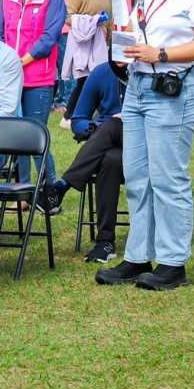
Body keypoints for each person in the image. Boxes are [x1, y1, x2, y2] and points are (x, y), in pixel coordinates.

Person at [95, 0, 194, 291]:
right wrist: (122, 48)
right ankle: (138, 256)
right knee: (137, 177)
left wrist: (161, 53)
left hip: (173, 87)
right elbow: (138, 31)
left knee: (169, 178)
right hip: (137, 85)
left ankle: (172, 262)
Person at [0, 0, 66, 185]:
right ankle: (23, 187)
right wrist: (6, 60)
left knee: (35, 133)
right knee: (15, 134)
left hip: (38, 78)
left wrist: (22, 61)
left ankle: (49, 188)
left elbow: (49, 37)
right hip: (10, 76)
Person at [47, 58, 128, 262]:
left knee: (112, 124)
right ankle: (105, 242)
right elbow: (78, 120)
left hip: (140, 141)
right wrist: (96, 130)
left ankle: (62, 186)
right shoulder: (101, 73)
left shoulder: (145, 71)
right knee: (110, 159)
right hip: (107, 147)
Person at [60, 0, 112, 122]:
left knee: (97, 76)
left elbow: (110, 16)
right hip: (83, 40)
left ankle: (80, 115)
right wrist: (90, 22)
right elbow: (68, 15)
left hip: (101, 41)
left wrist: (108, 35)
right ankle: (71, 115)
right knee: (85, 78)